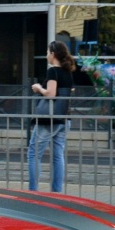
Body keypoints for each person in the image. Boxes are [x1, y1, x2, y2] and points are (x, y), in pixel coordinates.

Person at [28, 40, 76, 193]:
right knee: (57, 155)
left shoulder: (53, 71)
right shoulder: (67, 71)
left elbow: (51, 94)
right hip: (63, 118)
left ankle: (33, 192)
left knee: (33, 153)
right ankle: (56, 192)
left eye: (48, 52)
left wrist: (38, 88)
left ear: (53, 54)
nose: (46, 55)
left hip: (48, 119)